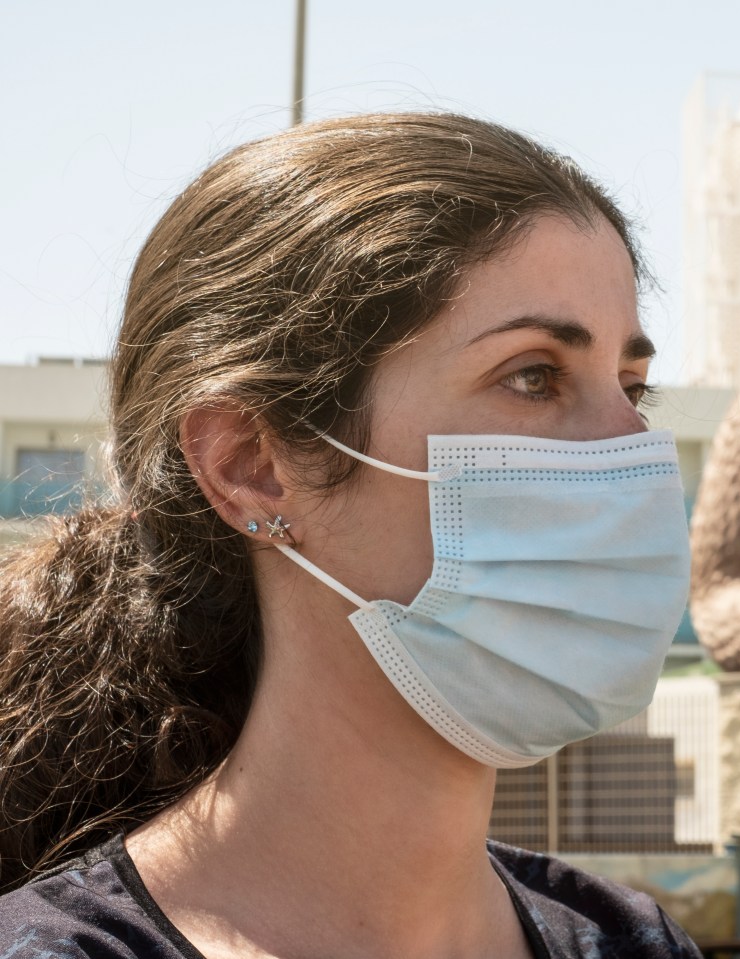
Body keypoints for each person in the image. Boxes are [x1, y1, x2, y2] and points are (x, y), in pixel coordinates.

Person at [0, 113, 700, 959]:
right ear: (252, 464)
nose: (632, 452)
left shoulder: (634, 942)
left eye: (633, 385)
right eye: (533, 376)